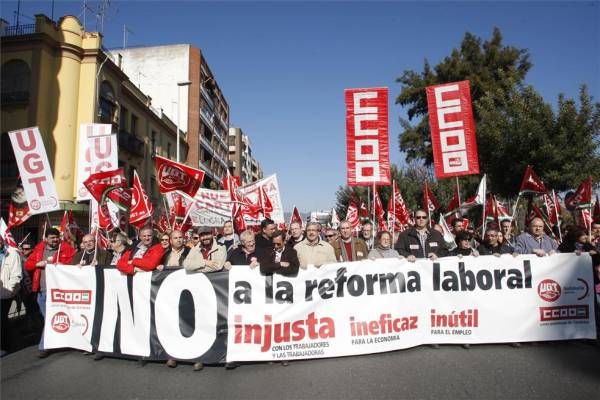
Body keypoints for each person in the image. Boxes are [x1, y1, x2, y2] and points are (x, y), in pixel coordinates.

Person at [25, 227, 76, 358]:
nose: (55, 240)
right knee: (48, 318)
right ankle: (60, 340)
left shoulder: (66, 249)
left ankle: (44, 346)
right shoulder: (39, 249)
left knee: (50, 318)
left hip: (59, 291)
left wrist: (63, 265)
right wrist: (37, 263)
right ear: (46, 239)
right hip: (42, 290)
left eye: (56, 237)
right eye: (52, 238)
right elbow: (27, 265)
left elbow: (74, 264)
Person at [1, 236, 22, 356]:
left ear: (2, 241)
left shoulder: (13, 254)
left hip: (5, 293)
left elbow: (17, 274)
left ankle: (4, 346)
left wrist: (9, 289)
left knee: (2, 319)